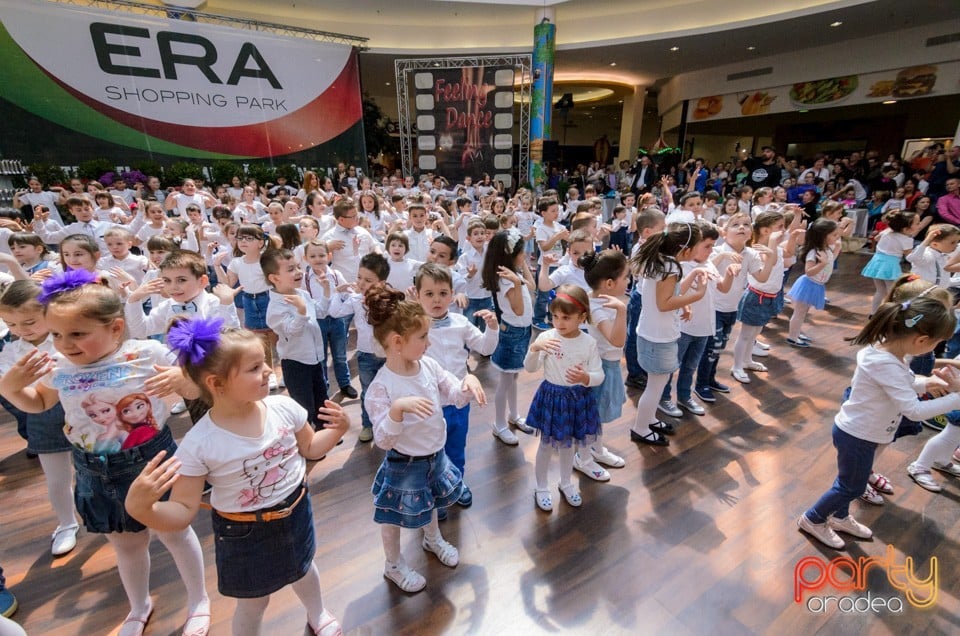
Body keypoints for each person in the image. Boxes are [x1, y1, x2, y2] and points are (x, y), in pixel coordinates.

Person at [0, 270, 210, 636]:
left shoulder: (148, 353)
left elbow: (197, 389)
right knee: (125, 544)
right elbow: (38, 403)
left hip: (151, 464)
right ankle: (139, 605)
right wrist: (12, 388)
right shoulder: (59, 368)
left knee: (175, 534)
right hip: (94, 470)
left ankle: (199, 599)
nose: (65, 344)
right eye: (57, 335)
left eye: (78, 333)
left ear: (115, 328)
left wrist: (184, 381)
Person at [126, 318, 348, 636]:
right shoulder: (198, 444)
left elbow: (311, 448)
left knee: (304, 570)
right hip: (244, 532)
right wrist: (143, 509)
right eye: (255, 367)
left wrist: (337, 429)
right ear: (217, 384)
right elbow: (182, 511)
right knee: (254, 601)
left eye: (265, 363)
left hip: (296, 509)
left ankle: (317, 612)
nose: (269, 371)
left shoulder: (283, 407)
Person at [797, 293, 960, 549]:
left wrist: (925, 382)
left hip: (864, 432)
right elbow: (914, 410)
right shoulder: (886, 362)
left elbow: (900, 384)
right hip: (858, 435)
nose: (936, 349)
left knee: (851, 481)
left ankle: (839, 517)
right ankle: (813, 519)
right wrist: (956, 398)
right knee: (851, 486)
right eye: (937, 343)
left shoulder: (888, 352)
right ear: (921, 340)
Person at [363, 286, 485, 592]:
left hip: (435, 455)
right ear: (397, 342)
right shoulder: (381, 388)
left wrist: (467, 382)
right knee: (392, 517)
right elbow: (383, 441)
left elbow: (455, 395)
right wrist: (396, 410)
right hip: (404, 465)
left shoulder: (428, 365)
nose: (429, 344)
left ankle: (433, 539)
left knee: (430, 503)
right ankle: (393, 564)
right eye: (423, 338)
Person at [0, 281, 80, 557]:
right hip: (42, 414)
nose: (21, 330)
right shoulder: (12, 351)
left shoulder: (70, 338)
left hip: (83, 411)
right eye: (10, 324)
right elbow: (13, 388)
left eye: (29, 321)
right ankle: (67, 523)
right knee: (56, 478)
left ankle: (101, 514)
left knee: (89, 471)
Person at [415, 263, 498, 510]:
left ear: (452, 294)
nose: (437, 300)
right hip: (429, 404)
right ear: (417, 295)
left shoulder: (461, 323)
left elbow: (485, 347)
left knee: (456, 447)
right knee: (430, 453)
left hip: (459, 400)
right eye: (429, 294)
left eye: (442, 293)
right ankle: (433, 494)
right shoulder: (414, 327)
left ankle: (456, 484)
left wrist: (492, 329)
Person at [629, 222, 709, 446]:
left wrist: (691, 280)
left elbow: (666, 295)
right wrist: (698, 294)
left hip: (650, 333)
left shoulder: (660, 261)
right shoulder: (670, 267)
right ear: (685, 249)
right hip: (659, 337)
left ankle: (649, 419)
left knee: (655, 385)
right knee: (655, 387)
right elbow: (665, 303)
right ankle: (641, 428)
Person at [524, 284, 603, 510]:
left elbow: (599, 374)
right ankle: (541, 486)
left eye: (566, 317)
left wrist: (586, 377)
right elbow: (529, 368)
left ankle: (566, 483)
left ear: (582, 317)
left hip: (577, 399)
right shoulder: (548, 337)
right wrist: (535, 348)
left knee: (569, 446)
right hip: (552, 397)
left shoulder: (588, 343)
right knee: (547, 445)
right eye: (555, 316)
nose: (559, 322)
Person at [659, 223, 739, 417]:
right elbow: (677, 293)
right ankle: (663, 398)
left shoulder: (709, 262)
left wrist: (729, 275)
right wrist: (695, 275)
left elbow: (723, 288)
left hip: (704, 327)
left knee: (690, 366)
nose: (711, 250)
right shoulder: (683, 266)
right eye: (707, 246)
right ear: (692, 246)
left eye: (713, 246)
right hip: (684, 327)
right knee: (672, 365)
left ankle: (684, 396)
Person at [729, 211, 801, 383]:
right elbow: (772, 262)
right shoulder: (756, 249)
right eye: (780, 227)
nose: (783, 230)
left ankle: (747, 360)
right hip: (756, 297)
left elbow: (789, 249)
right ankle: (737, 366)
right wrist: (774, 242)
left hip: (770, 296)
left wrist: (795, 224)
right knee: (745, 334)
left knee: (756, 332)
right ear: (765, 231)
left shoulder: (774, 245)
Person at [576, 251, 629, 481]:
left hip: (608, 364)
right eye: (626, 277)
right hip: (601, 367)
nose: (629, 281)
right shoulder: (598, 307)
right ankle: (583, 457)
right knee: (593, 413)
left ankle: (596, 449)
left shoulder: (596, 296)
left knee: (599, 412)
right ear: (609, 283)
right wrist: (622, 310)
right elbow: (616, 340)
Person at [325, 253, 390, 442]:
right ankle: (367, 425)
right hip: (366, 356)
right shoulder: (355, 299)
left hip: (389, 356)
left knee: (389, 391)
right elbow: (335, 312)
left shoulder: (389, 299)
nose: (361, 283)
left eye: (368, 280)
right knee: (368, 392)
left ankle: (388, 423)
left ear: (382, 282)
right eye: (359, 277)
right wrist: (338, 293)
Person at [262, 249, 329, 431]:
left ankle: (324, 430)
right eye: (291, 269)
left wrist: (327, 291)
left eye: (298, 267)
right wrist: (300, 312)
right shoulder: (275, 307)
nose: (299, 272)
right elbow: (292, 331)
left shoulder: (302, 294)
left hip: (315, 358)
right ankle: (307, 439)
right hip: (296, 362)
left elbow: (320, 312)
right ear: (275, 278)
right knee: (303, 404)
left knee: (321, 397)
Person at [484, 229, 536, 444]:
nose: (525, 255)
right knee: (505, 381)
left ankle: (514, 416)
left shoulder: (513, 272)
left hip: (523, 331)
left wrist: (521, 266)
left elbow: (532, 287)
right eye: (522, 252)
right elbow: (517, 308)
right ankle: (499, 424)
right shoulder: (506, 280)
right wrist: (516, 282)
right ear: (509, 255)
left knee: (514, 376)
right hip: (512, 333)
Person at [217, 224, 280, 390]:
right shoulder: (236, 262)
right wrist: (217, 266)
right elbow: (228, 285)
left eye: (249, 238)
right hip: (248, 301)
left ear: (260, 242)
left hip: (268, 298)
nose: (243, 241)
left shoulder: (266, 260)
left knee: (277, 336)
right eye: (240, 238)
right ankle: (270, 373)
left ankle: (285, 371)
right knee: (260, 339)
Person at [301, 240, 356, 399]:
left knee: (340, 355)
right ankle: (323, 386)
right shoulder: (305, 278)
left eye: (321, 255)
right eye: (313, 256)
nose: (318, 259)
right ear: (306, 258)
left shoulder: (336, 274)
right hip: (318, 321)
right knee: (321, 356)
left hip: (337, 319)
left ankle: (345, 384)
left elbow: (347, 292)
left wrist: (347, 292)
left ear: (329, 256)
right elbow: (304, 299)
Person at [786, 219, 842, 346]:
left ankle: (796, 332)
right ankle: (792, 337)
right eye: (834, 235)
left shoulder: (827, 249)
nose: (837, 237)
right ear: (823, 236)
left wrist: (837, 248)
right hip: (808, 284)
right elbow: (809, 272)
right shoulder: (814, 252)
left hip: (817, 285)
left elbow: (831, 259)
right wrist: (822, 264)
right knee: (799, 312)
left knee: (803, 312)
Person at [861, 210, 919, 314]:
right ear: (906, 228)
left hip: (877, 261)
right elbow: (910, 256)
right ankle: (892, 314)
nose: (919, 225)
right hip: (890, 265)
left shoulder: (887, 231)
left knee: (880, 291)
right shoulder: (906, 239)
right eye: (917, 223)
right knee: (892, 292)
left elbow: (877, 238)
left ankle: (874, 313)